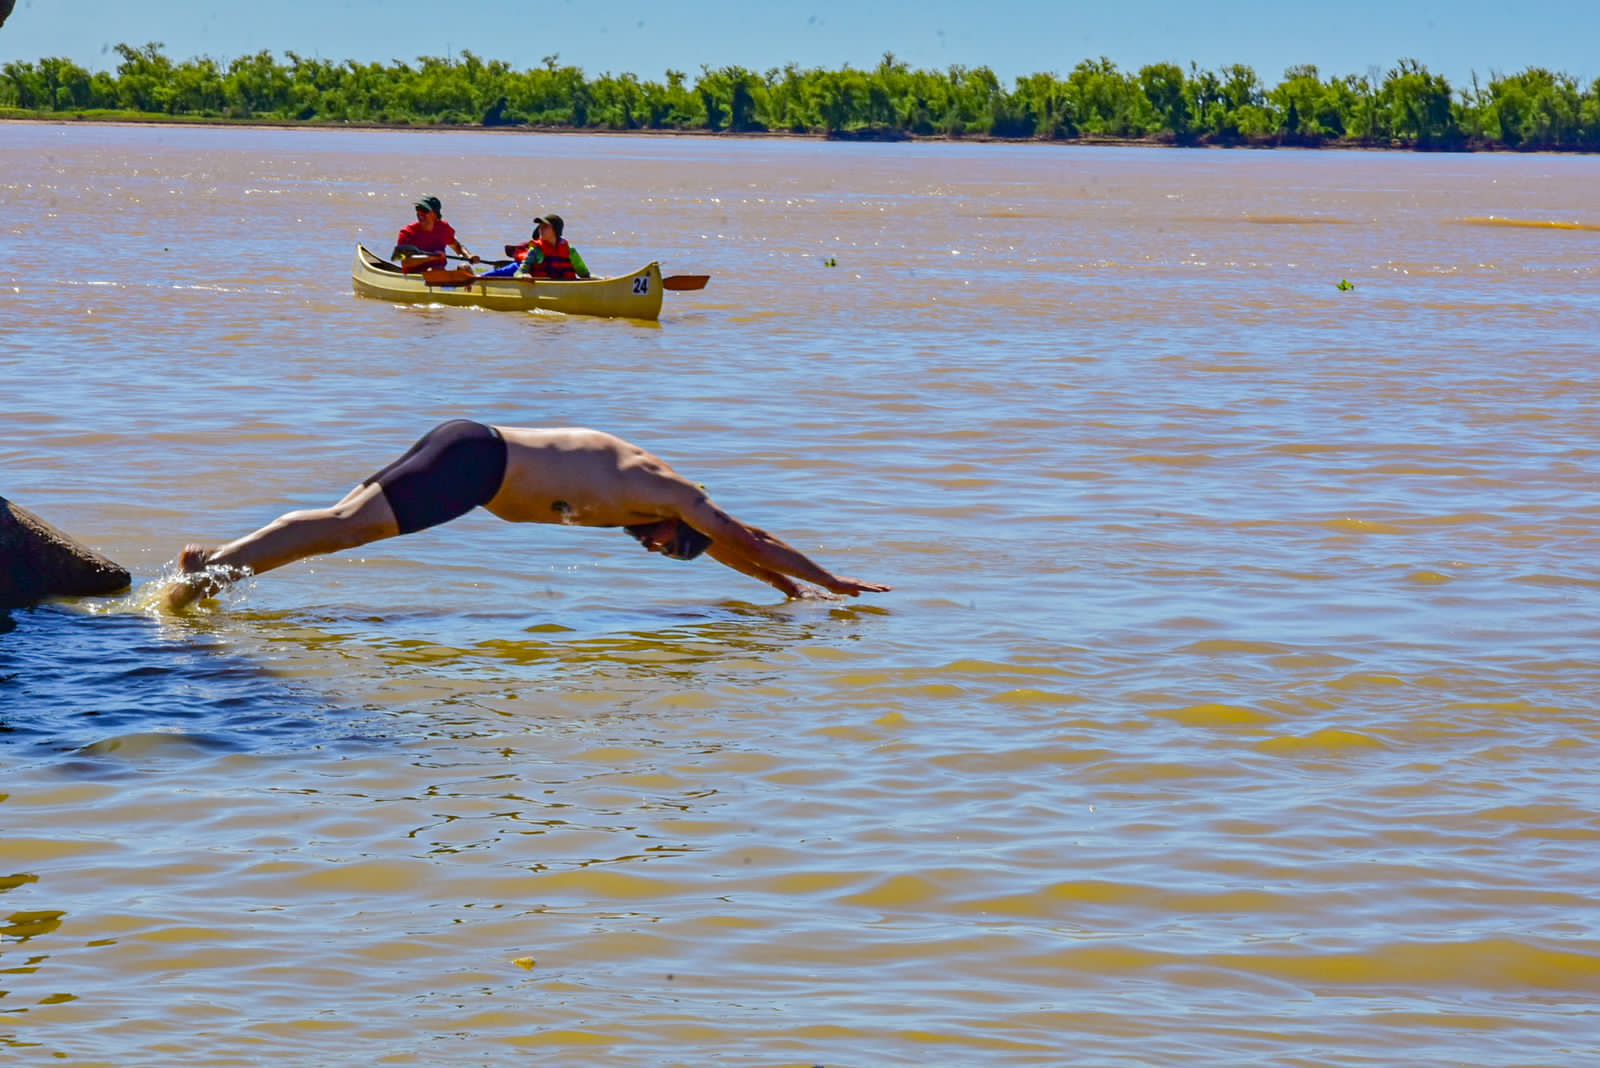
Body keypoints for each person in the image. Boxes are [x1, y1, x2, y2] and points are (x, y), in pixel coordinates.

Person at [164, 421, 891, 610]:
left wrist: (776, 588)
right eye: (673, 551)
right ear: (682, 527)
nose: (657, 552)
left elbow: (730, 549)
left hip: (471, 451)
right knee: (345, 530)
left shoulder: (660, 510)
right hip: (478, 463)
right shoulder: (669, 493)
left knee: (342, 522)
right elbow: (742, 536)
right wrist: (828, 580)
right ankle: (212, 569)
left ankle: (217, 560)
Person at [392, 195, 477, 274]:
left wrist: (469, 256)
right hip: (414, 275)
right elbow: (405, 263)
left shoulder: (443, 229)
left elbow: (457, 247)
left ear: (435, 215)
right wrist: (431, 257)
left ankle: (466, 287)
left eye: (424, 210)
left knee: (465, 268)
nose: (420, 213)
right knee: (434, 270)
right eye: (418, 209)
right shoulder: (407, 233)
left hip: (438, 273)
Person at [518, 214, 591, 280]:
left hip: (566, 288)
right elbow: (520, 272)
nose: (541, 229)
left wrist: (599, 280)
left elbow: (585, 275)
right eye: (540, 226)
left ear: (556, 230)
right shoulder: (536, 250)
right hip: (543, 288)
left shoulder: (570, 251)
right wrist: (523, 275)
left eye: (545, 226)